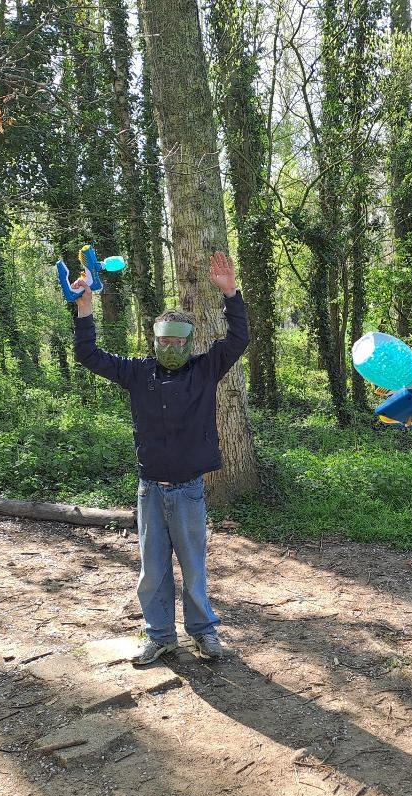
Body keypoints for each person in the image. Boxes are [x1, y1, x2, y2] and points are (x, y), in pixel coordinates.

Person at [72, 251, 248, 665]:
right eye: (164, 341)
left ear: (189, 342)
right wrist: (84, 308)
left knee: (194, 568)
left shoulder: (205, 370)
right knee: (152, 571)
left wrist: (230, 294)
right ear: (155, 341)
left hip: (188, 490)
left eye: (177, 341)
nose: (170, 347)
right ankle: (160, 635)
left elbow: (237, 339)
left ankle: (203, 633)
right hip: (150, 489)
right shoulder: (138, 372)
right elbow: (89, 355)